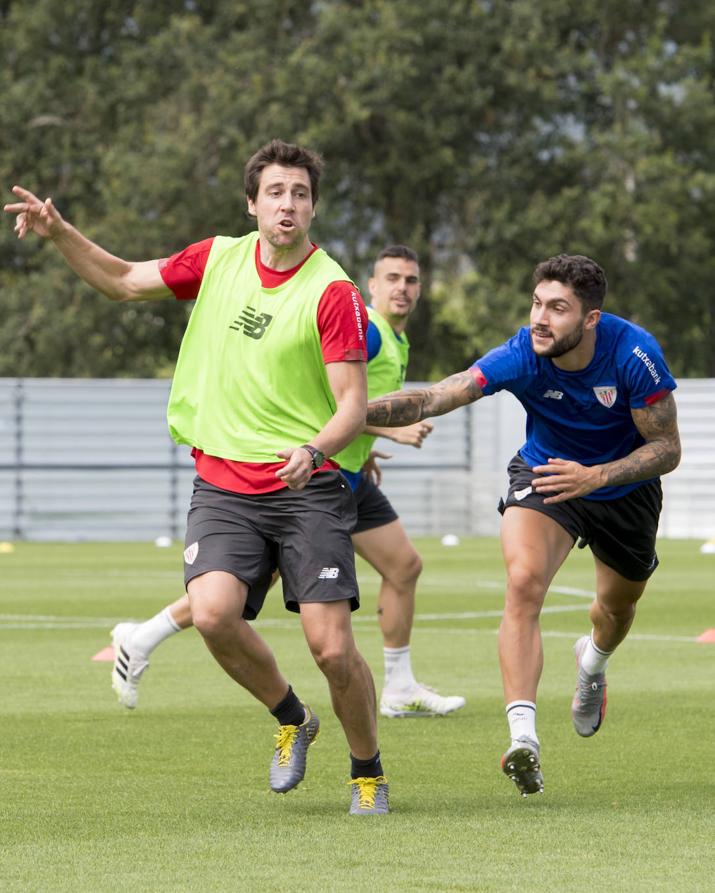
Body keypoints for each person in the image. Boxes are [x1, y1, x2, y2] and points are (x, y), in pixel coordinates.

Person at [4, 139, 390, 815]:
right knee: (211, 614)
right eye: (275, 192)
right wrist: (61, 233)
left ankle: (367, 771)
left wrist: (314, 447)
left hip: (308, 487)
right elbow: (123, 279)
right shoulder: (218, 257)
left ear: (312, 207)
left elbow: (352, 406)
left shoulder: (333, 292)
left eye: (300, 193)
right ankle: (293, 718)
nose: (288, 205)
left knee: (332, 649)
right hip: (224, 483)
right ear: (252, 203)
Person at [363, 253, 681, 797]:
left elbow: (667, 448)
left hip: (621, 489)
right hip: (545, 475)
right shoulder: (522, 354)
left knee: (616, 609)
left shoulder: (634, 355)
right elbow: (439, 394)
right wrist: (350, 414)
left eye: (557, 308)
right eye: (537, 303)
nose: (540, 318)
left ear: (589, 319)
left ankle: (592, 664)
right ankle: (523, 738)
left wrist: (597, 476)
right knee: (524, 581)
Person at [109, 245, 465, 719]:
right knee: (239, 588)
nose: (402, 288)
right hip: (308, 475)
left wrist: (365, 446)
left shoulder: (396, 340)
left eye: (412, 280)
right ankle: (143, 636)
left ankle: (399, 685)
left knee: (404, 567)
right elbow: (327, 398)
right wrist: (388, 428)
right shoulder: (371, 332)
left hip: (349, 471)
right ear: (371, 285)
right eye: (392, 279)